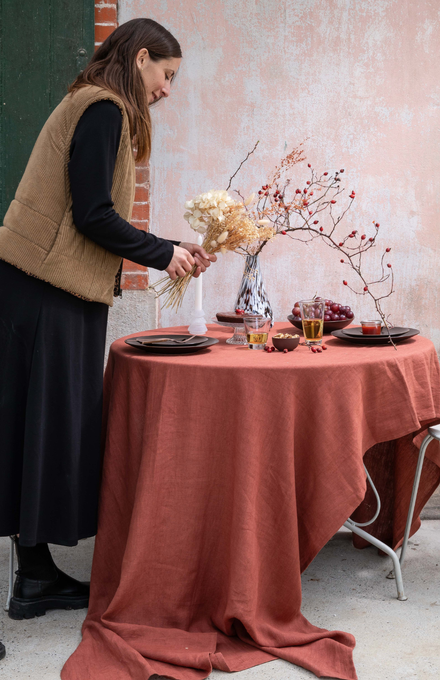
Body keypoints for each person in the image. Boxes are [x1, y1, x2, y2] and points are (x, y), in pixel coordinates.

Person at [0, 17, 215, 654]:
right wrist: (165, 252)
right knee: (38, 427)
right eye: (166, 75)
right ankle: (33, 578)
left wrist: (165, 247)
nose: (168, 90)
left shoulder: (93, 105)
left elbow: (90, 214)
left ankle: (34, 578)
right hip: (46, 290)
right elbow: (95, 215)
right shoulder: (102, 108)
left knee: (37, 427)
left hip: (43, 287)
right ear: (141, 58)